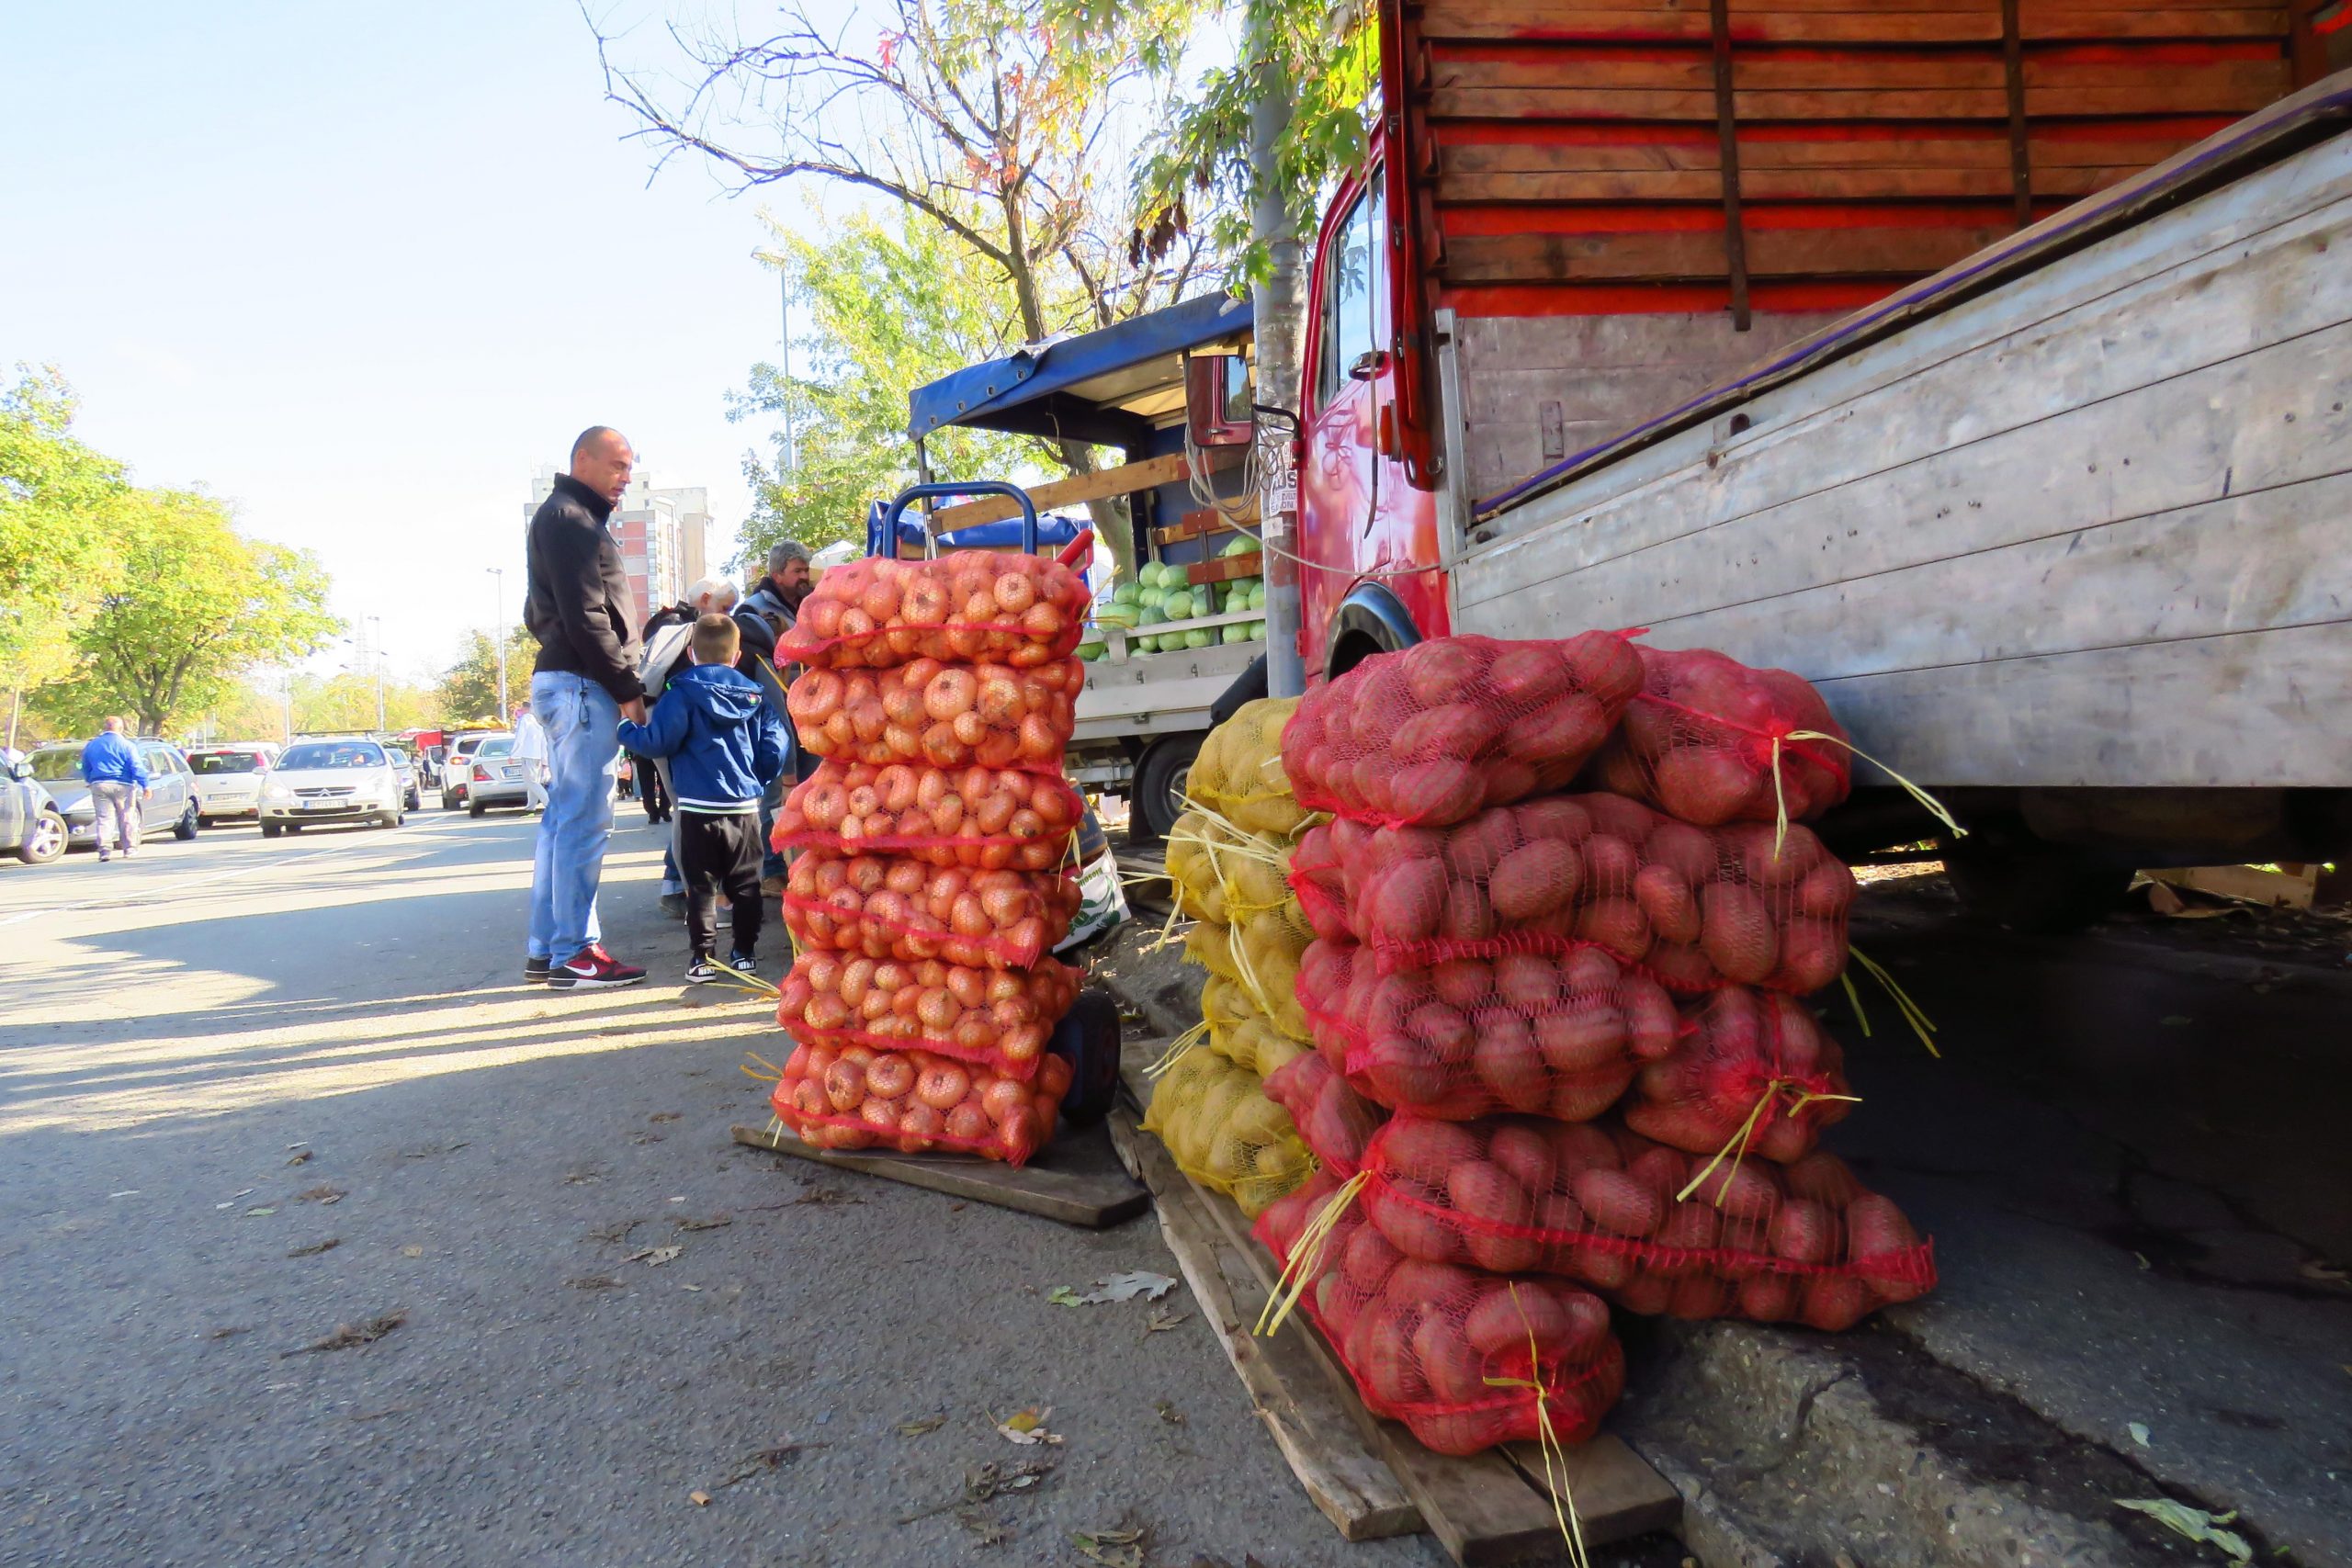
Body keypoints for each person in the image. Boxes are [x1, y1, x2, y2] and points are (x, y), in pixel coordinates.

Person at [522, 425, 649, 989]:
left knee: (562, 819)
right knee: (582, 819)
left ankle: (548, 947)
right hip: (580, 684)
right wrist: (627, 686)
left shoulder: (565, 517)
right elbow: (586, 615)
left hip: (563, 679)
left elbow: (540, 611)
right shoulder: (571, 519)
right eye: (618, 465)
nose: (626, 477)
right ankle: (574, 951)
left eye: (630, 468)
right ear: (582, 459)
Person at [616, 613, 788, 984]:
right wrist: (757, 777)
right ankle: (744, 955)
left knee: (700, 887)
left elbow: (658, 741)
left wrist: (626, 730)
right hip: (744, 808)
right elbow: (776, 744)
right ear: (737, 654)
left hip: (696, 808)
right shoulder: (755, 696)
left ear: (691, 654)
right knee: (745, 885)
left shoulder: (681, 694)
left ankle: (703, 958)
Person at [642, 578, 743, 916]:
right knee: (691, 813)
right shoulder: (685, 631)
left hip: (671, 733)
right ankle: (698, 895)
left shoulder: (669, 625)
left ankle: (680, 886)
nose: (730, 616)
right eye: (726, 607)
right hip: (677, 737)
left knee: (688, 812)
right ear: (704, 599)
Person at [737, 540, 815, 892]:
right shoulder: (756, 613)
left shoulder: (807, 606)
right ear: (776, 574)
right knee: (775, 794)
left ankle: (796, 863)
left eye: (805, 570)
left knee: (807, 791)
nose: (803, 577)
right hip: (776, 717)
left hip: (812, 718)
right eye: (796, 571)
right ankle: (771, 867)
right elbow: (766, 682)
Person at [79, 716, 150, 863]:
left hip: (100, 784)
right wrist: (145, 785)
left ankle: (104, 849)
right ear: (121, 728)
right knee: (126, 816)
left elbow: (85, 765)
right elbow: (136, 766)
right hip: (123, 785)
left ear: (105, 728)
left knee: (104, 818)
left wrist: (89, 780)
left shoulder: (92, 745)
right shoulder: (127, 745)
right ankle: (129, 847)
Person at [510, 702, 549, 813]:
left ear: (524, 708)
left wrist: (513, 755)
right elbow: (543, 742)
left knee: (531, 782)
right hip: (536, 757)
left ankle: (550, 804)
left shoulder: (524, 721)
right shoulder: (537, 723)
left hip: (528, 755)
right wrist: (544, 759)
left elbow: (520, 738)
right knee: (533, 781)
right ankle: (531, 806)